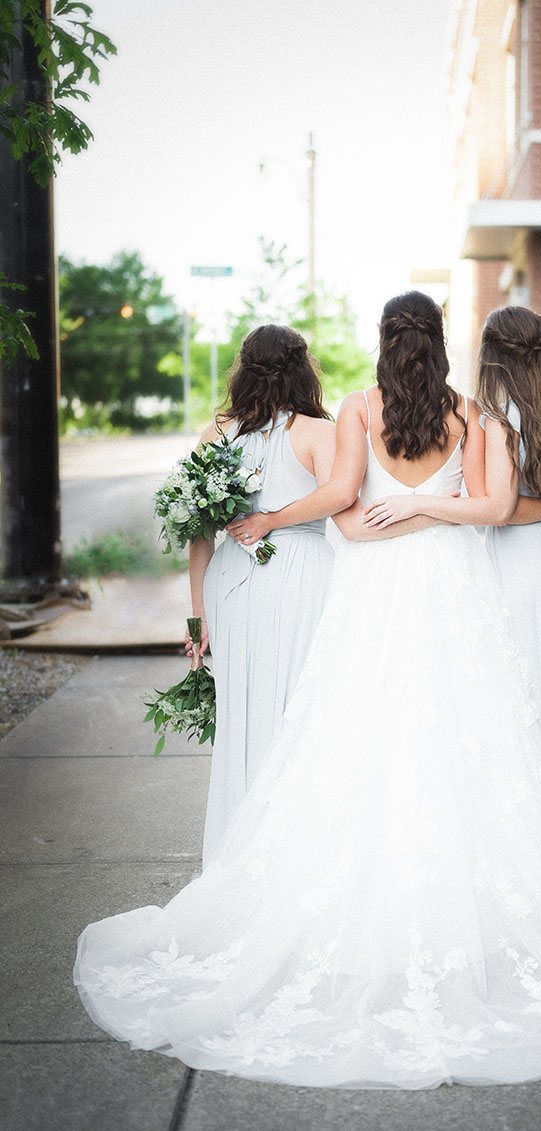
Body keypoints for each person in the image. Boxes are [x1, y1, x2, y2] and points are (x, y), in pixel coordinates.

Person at [75, 292, 541, 1090]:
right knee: (463, 731)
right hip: (451, 583)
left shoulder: (360, 409)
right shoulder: (469, 415)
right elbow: (493, 509)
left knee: (362, 731)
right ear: (438, 343)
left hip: (376, 589)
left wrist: (391, 517)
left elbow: (349, 516)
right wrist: (436, 511)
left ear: (383, 343)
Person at [363, 306, 541, 880]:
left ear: (492, 356)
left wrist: (419, 502)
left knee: (521, 695)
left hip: (515, 564)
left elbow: (497, 511)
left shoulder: (497, 420)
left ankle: (539, 841)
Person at [186, 324, 335, 863]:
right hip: (303, 574)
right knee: (300, 710)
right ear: (302, 367)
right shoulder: (319, 431)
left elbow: (197, 530)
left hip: (232, 578)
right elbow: (341, 504)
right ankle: (295, 855)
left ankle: (241, 853)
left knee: (245, 708)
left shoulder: (217, 432)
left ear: (244, 368)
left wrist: (199, 612)